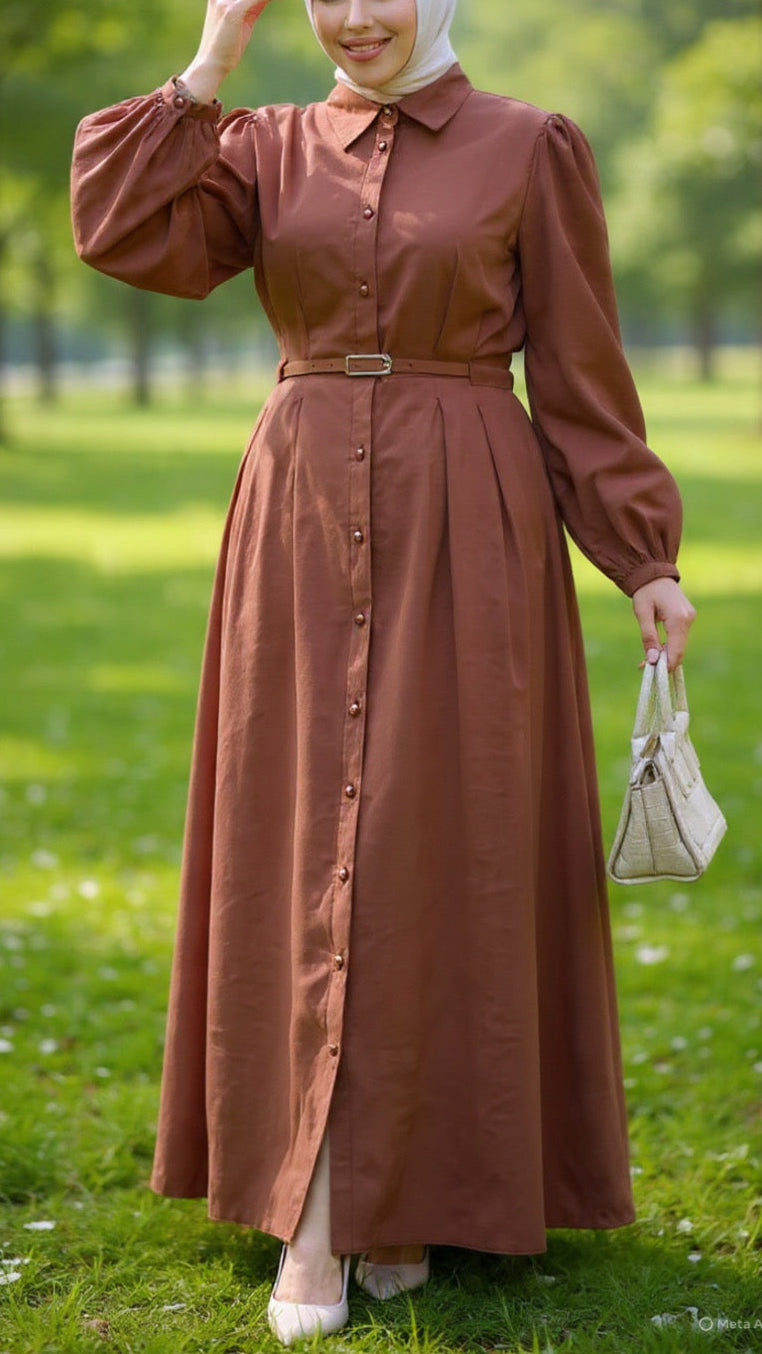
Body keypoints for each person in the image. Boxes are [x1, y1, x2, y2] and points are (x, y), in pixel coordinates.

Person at [70, 0, 697, 1344]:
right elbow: (120, 230)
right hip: (297, 515)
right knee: (301, 841)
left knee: (435, 837)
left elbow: (581, 368)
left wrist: (641, 555)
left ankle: (403, 1190)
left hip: (467, 518)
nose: (351, 15)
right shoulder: (262, 144)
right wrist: (208, 61)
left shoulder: (533, 146)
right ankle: (314, 1208)